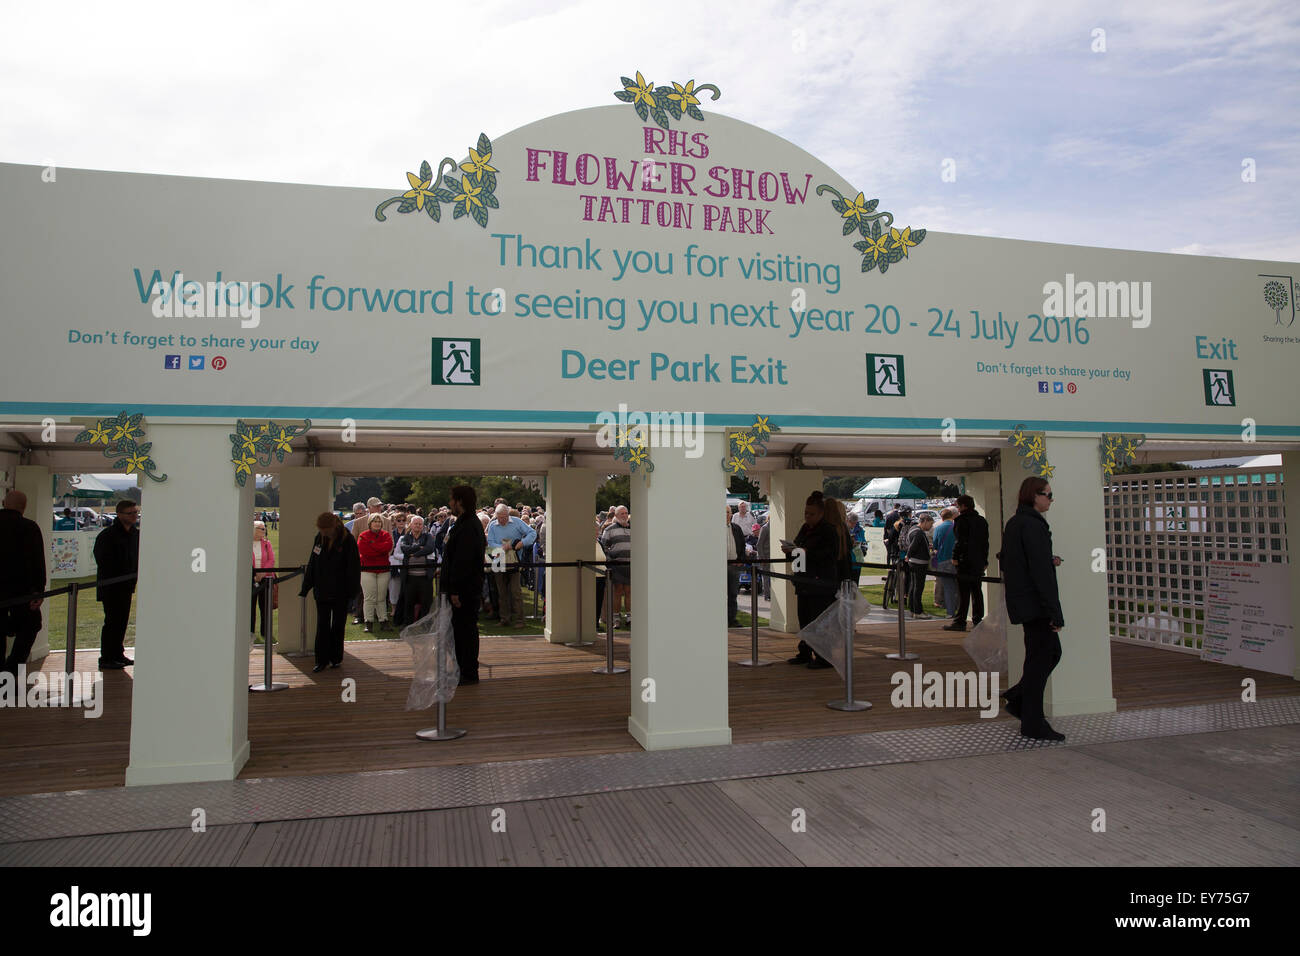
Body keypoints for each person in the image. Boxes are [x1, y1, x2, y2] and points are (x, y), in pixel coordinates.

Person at [998, 477, 1066, 740]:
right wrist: (1054, 611)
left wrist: (1047, 561)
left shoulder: (1017, 523)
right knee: (1042, 659)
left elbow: (1013, 560)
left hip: (1026, 602)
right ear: (1034, 495)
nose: (1051, 499)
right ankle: (1032, 720)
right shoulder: (1032, 525)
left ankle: (1020, 700)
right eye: (1047, 494)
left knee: (1045, 656)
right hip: (1036, 605)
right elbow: (1040, 574)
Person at [781, 490, 841, 669]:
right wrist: (792, 552)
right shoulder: (805, 529)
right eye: (806, 513)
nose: (807, 517)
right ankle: (805, 651)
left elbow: (830, 554)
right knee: (804, 619)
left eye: (811, 514)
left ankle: (824, 656)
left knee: (818, 621)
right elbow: (799, 549)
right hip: (804, 581)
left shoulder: (828, 531)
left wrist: (807, 552)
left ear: (821, 513)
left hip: (820, 583)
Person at [299, 512, 360, 673]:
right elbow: (313, 563)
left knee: (338, 625)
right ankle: (321, 660)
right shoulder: (319, 538)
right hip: (322, 590)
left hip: (341, 591)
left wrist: (352, 591)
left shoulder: (348, 540)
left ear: (333, 527)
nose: (323, 532)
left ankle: (336, 658)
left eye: (325, 530)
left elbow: (353, 567)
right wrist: (306, 587)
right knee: (322, 626)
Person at [441, 484, 487, 683]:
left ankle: (468, 672)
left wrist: (455, 591)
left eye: (452, 499)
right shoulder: (465, 523)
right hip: (465, 588)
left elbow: (463, 562)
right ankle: (464, 668)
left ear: (459, 501)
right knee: (462, 630)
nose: (450, 503)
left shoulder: (468, 526)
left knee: (465, 631)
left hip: (465, 590)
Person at [1, 490, 46, 678]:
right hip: (22, 591)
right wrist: (38, 591)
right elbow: (37, 562)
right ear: (24, 507)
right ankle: (9, 672)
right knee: (31, 626)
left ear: (4, 502)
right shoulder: (29, 527)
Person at [93, 499, 140, 670]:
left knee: (121, 621)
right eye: (130, 513)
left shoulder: (135, 534)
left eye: (135, 512)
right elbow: (103, 560)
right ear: (119, 514)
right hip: (112, 586)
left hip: (126, 586)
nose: (134, 515)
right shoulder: (107, 536)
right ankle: (106, 656)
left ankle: (117, 653)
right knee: (112, 621)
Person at [486, 503, 536, 627]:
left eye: (504, 517)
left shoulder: (517, 522)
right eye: (500, 517)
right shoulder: (492, 525)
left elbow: (532, 534)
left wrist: (522, 543)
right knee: (501, 592)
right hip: (498, 561)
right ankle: (504, 619)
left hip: (514, 561)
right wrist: (503, 548)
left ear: (508, 515)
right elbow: (490, 543)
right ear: (496, 516)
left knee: (516, 592)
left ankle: (520, 620)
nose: (502, 520)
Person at [945, 495, 990, 632]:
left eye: (958, 506)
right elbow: (984, 543)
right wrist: (984, 560)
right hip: (978, 561)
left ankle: (960, 621)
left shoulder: (961, 521)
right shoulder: (981, 521)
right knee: (977, 591)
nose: (957, 509)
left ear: (964, 506)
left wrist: (955, 556)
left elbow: (960, 541)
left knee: (963, 592)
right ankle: (978, 620)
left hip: (965, 560)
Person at [356, 514, 393, 633]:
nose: (377, 523)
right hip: (367, 570)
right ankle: (369, 622)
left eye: (379, 521)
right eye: (374, 521)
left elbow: (387, 547)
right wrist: (379, 549)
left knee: (381, 597)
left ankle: (383, 621)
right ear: (370, 523)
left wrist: (372, 545)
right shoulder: (363, 535)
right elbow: (364, 551)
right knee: (369, 597)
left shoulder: (386, 535)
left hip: (383, 570)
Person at [600, 505, 632, 628]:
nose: (624, 516)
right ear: (616, 516)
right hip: (616, 566)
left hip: (630, 565)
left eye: (626, 513)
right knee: (617, 592)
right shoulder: (610, 530)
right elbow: (604, 546)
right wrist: (610, 560)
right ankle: (616, 618)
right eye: (621, 514)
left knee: (629, 592)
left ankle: (630, 617)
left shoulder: (633, 528)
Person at [400, 515, 436, 623]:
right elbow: (404, 549)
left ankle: (424, 623)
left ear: (423, 526)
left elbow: (430, 548)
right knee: (408, 601)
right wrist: (419, 548)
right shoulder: (405, 537)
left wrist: (414, 554)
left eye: (420, 524)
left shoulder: (428, 536)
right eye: (415, 523)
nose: (418, 526)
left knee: (426, 601)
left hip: (425, 576)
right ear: (410, 525)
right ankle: (408, 623)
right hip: (409, 576)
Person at [904, 513, 935, 618]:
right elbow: (913, 546)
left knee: (913, 586)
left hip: (913, 562)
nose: (931, 527)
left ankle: (913, 609)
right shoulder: (919, 533)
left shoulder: (913, 529)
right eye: (930, 524)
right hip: (919, 563)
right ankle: (918, 611)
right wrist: (908, 555)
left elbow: (912, 544)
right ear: (925, 521)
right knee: (918, 587)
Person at [251, 519, 276, 640]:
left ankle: (265, 632)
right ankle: (250, 632)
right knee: (250, 607)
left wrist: (262, 573)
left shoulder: (267, 543)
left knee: (265, 606)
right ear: (254, 530)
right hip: (251, 579)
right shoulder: (246, 543)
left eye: (264, 528)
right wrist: (254, 575)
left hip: (265, 578)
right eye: (262, 529)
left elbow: (271, 560)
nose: (264, 530)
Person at [932, 508, 958, 617]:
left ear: (941, 518)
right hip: (956, 560)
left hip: (943, 560)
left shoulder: (938, 529)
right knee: (959, 588)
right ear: (952, 516)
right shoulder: (956, 527)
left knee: (948, 588)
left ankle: (950, 612)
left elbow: (935, 545)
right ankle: (960, 611)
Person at [387, 511, 409, 622]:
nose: (401, 522)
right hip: (393, 563)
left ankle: (404, 608)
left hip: (405, 563)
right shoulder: (391, 533)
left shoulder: (409, 533)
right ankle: (394, 608)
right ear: (394, 522)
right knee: (393, 586)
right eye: (398, 520)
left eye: (403, 520)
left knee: (404, 586)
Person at [725, 505, 745, 627]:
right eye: (723, 512)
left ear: (731, 514)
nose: (726, 514)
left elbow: (742, 546)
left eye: (727, 512)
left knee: (733, 594)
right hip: (718, 567)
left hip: (733, 566)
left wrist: (741, 560)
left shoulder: (736, 528)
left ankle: (731, 619)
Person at [846, 511, 866, 585]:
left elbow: (864, 542)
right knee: (846, 585)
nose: (853, 524)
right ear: (847, 520)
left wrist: (864, 549)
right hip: (847, 561)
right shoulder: (844, 529)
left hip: (858, 560)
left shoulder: (860, 530)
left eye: (855, 522)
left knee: (855, 585)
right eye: (851, 522)